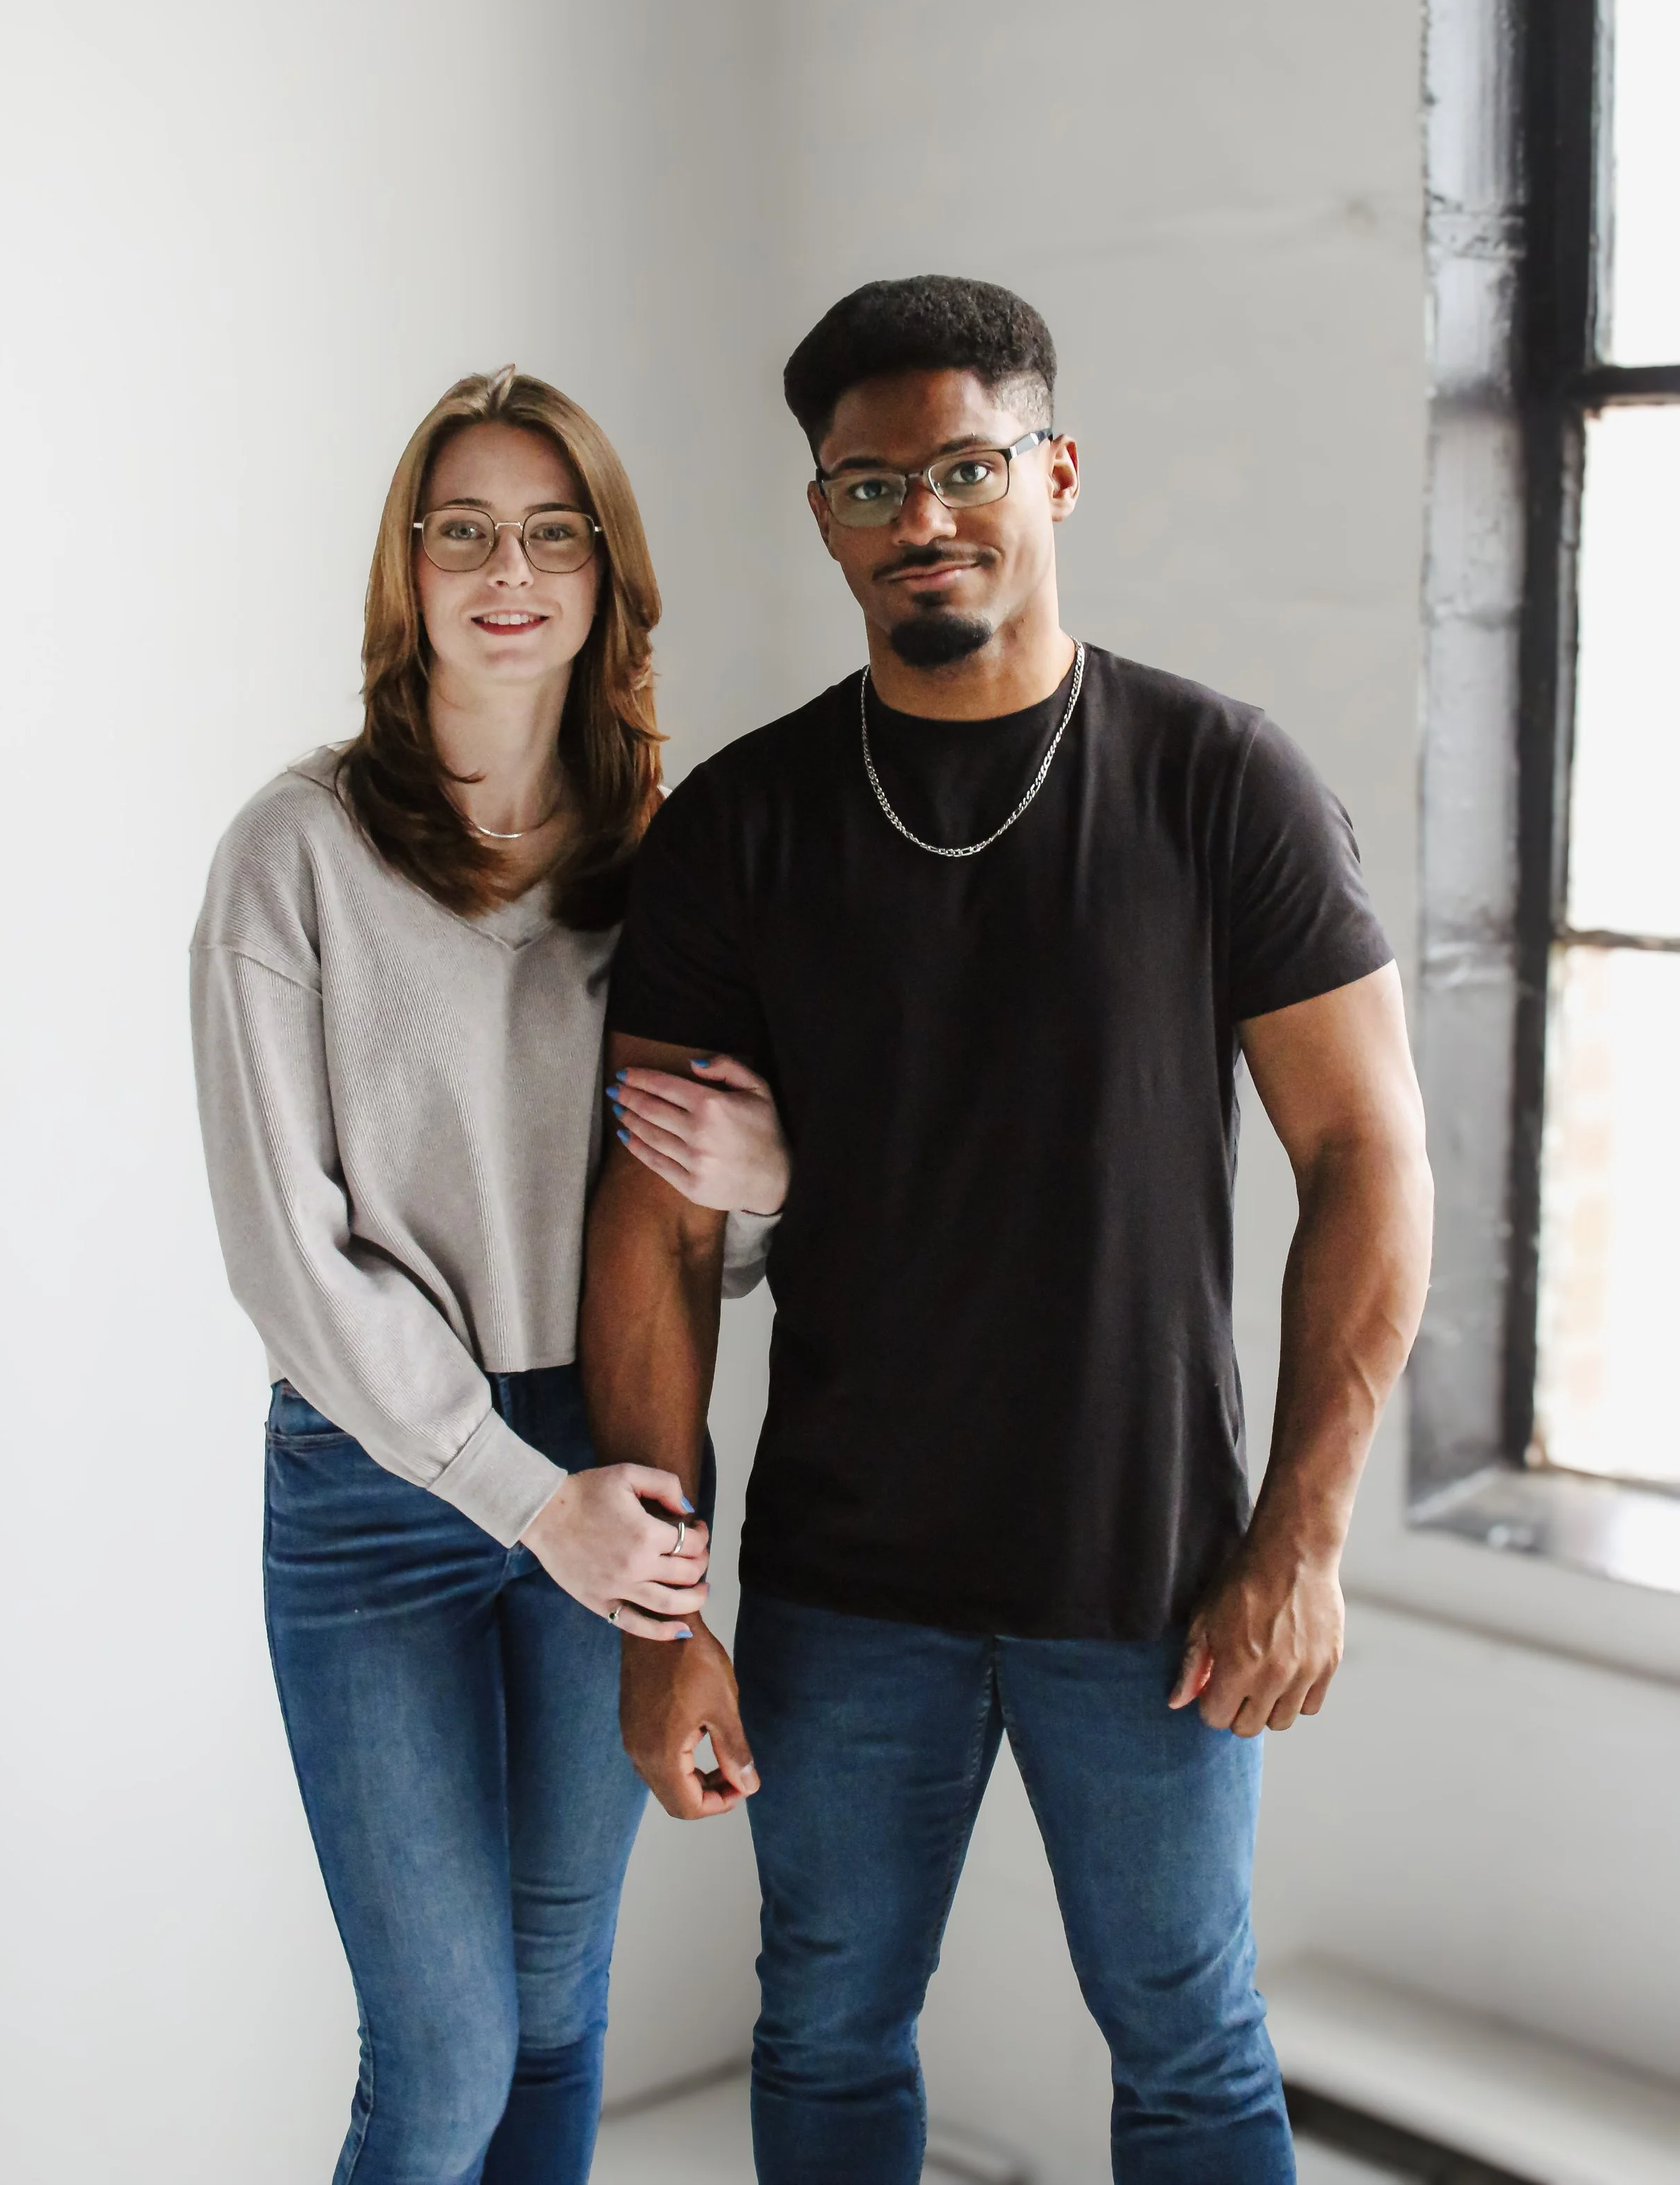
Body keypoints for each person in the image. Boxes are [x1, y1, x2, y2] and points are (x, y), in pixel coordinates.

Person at [581, 278, 1435, 2185]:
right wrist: (662, 1615)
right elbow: (642, 1232)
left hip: (1146, 1579)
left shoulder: (1219, 782)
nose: (922, 518)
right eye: (869, 485)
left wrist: (1297, 1538)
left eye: (965, 467)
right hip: (840, 1579)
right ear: (823, 517)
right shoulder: (740, 825)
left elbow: (1370, 1159)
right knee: (820, 2018)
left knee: (1188, 2040)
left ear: (1052, 471)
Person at [190, 368, 791, 2185]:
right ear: (409, 572)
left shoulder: (676, 867)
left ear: (605, 576)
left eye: (549, 531)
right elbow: (287, 1258)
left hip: (610, 1452)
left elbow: (703, 1225)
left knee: (551, 2007)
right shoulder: (290, 857)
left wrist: (771, 1186)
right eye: (462, 529)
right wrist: (530, 1502)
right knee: (445, 2046)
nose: (504, 569)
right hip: (382, 1478)